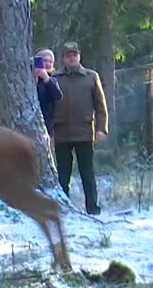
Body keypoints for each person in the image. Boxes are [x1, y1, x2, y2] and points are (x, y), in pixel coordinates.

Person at [52, 42, 108, 215]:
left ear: (79, 56)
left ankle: (92, 208)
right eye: (68, 55)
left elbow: (100, 105)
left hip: (84, 132)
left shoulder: (91, 77)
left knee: (87, 173)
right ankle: (64, 208)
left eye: (74, 54)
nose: (71, 57)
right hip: (61, 133)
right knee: (62, 174)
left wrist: (101, 128)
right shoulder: (54, 78)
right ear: (63, 58)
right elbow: (47, 105)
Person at [33, 48, 63, 137]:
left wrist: (46, 78)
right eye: (45, 60)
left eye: (51, 61)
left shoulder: (52, 80)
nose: (48, 64)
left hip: (47, 125)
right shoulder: (28, 78)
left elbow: (57, 96)